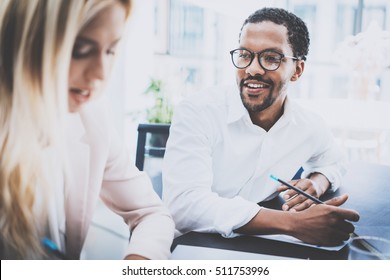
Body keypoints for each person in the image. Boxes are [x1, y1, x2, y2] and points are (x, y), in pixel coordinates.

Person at [163, 7, 359, 246]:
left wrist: (316, 183)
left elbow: (335, 161)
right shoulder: (198, 111)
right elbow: (185, 205)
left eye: (271, 58)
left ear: (297, 70)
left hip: (260, 246)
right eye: (245, 55)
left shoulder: (307, 124)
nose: (253, 69)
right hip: (192, 246)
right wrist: (295, 223)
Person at [0, 0, 174, 259]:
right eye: (81, 50)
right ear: (29, 43)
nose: (101, 73)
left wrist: (139, 263)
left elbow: (151, 212)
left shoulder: (92, 117)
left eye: (110, 51)